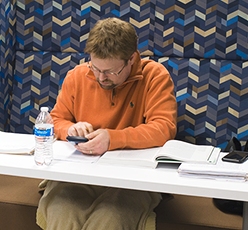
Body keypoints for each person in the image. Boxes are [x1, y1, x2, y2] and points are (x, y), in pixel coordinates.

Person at [36, 17, 177, 230]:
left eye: (111, 71)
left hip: (133, 179)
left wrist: (112, 138)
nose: (101, 77)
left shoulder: (155, 76)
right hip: (76, 176)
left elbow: (164, 127)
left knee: (110, 217)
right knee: (63, 211)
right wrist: (70, 129)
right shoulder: (77, 76)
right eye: (95, 68)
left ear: (131, 59)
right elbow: (55, 120)